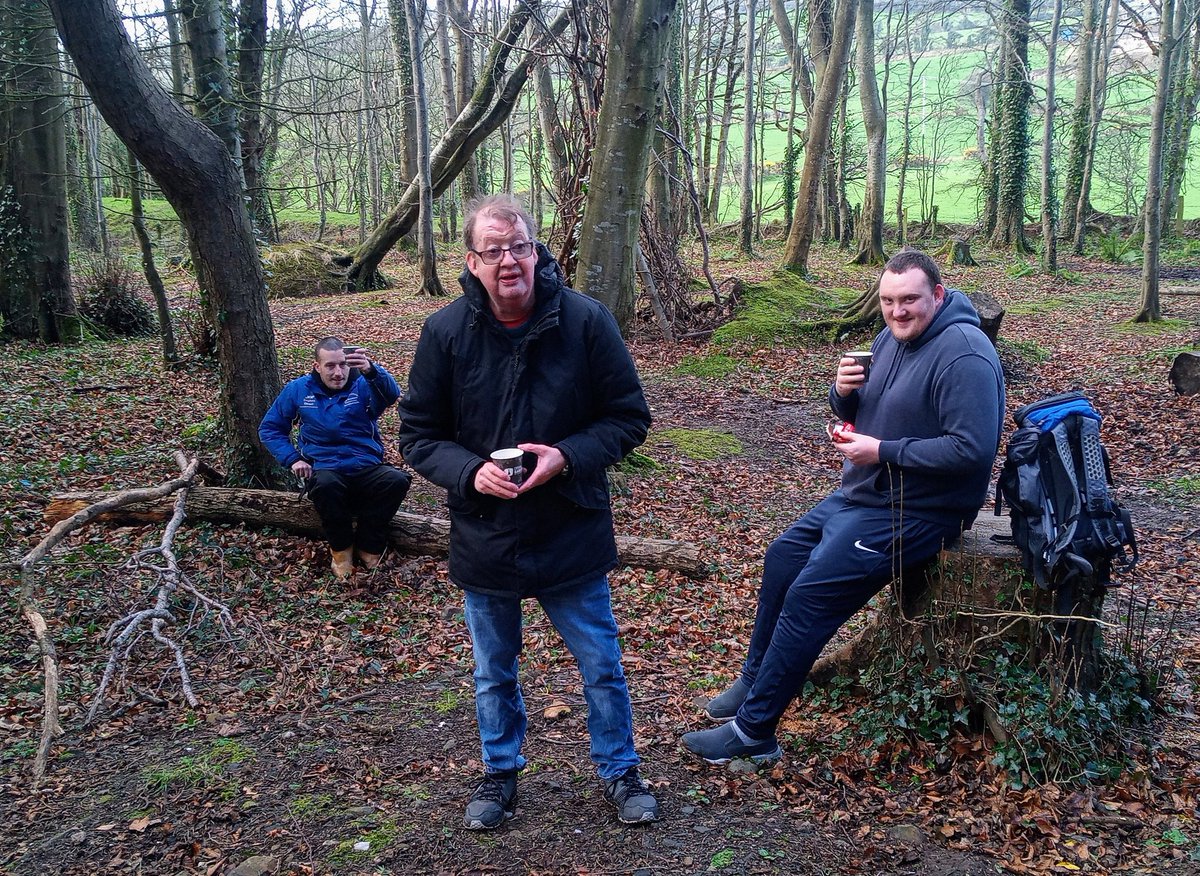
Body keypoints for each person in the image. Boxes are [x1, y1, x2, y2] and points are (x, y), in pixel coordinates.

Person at [681, 249, 1005, 764]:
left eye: (910, 300)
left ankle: (753, 733)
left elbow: (972, 450)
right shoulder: (891, 338)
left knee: (810, 597)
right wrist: (842, 398)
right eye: (888, 301)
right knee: (783, 558)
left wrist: (883, 451)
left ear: (938, 296)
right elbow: (873, 409)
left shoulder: (965, 354)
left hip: (918, 510)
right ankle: (753, 682)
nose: (898, 311)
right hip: (863, 492)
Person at [397, 194, 659, 828]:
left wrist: (565, 456)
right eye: (494, 251)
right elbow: (417, 436)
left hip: (570, 523)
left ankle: (620, 770)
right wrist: (470, 472)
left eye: (519, 246)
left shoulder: (586, 322)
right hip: (486, 533)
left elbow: (629, 419)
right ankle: (499, 772)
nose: (508, 260)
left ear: (538, 252)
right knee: (493, 672)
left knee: (600, 664)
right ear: (472, 261)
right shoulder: (445, 332)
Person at [259, 337, 411, 579]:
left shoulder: (363, 383)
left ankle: (369, 546)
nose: (338, 372)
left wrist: (371, 370)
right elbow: (270, 428)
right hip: (324, 467)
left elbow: (392, 395)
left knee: (396, 480)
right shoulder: (299, 389)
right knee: (327, 485)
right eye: (330, 366)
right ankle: (341, 551)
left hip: (365, 465)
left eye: (343, 364)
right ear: (317, 366)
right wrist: (293, 459)